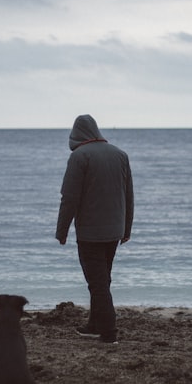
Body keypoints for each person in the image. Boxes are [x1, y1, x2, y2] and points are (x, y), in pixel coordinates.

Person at [56, 115, 134, 344]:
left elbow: (69, 198)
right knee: (102, 281)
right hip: (114, 231)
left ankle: (109, 332)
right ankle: (94, 325)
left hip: (90, 233)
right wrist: (126, 228)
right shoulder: (120, 155)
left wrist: (62, 231)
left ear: (76, 134)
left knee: (98, 284)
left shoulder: (79, 157)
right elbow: (128, 196)